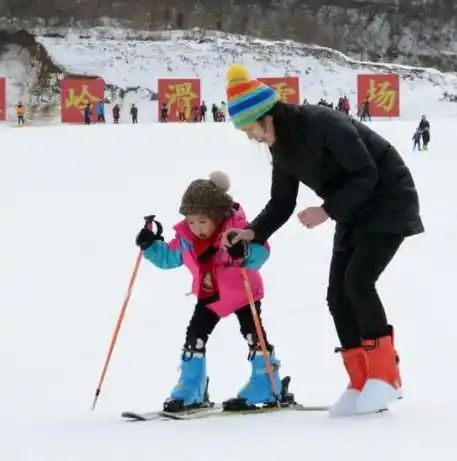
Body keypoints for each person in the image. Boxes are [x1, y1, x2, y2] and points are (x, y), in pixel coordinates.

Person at [221, 64, 424, 417]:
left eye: (250, 129)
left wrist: (327, 210)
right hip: (352, 211)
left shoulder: (323, 124)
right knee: (336, 294)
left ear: (266, 117)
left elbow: (367, 173)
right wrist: (252, 231)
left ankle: (386, 377)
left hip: (388, 199)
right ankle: (361, 379)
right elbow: (281, 203)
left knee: (358, 281)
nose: (251, 137)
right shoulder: (282, 149)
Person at [135, 171, 288, 413]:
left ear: (217, 217)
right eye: (191, 222)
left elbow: (262, 253)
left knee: (253, 335)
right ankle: (192, 387)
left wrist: (244, 251)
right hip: (210, 295)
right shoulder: (187, 238)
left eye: (202, 222)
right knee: (195, 337)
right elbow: (168, 258)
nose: (196, 228)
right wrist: (150, 245)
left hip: (243, 293)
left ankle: (267, 384)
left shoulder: (235, 231)